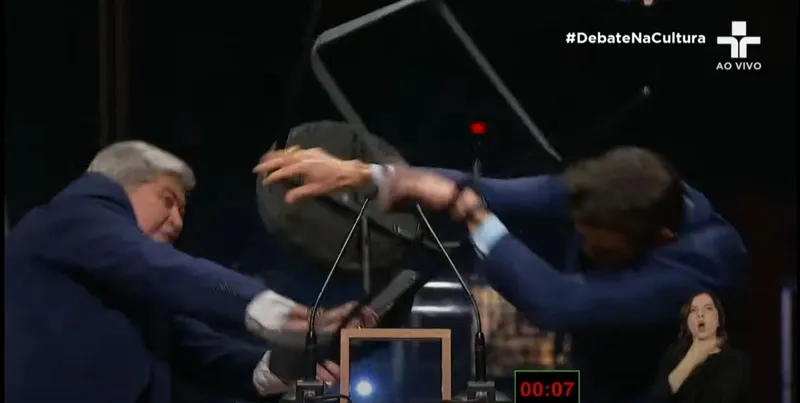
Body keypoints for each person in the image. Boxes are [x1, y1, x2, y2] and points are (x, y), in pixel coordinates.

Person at [254, 145, 748, 403]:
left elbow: (561, 303)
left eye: (600, 247)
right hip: (589, 381)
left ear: (660, 239)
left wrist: (470, 213)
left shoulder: (703, 268)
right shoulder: (626, 193)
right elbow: (496, 190)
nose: (587, 249)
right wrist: (368, 175)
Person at [4, 141, 378, 403]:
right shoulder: (76, 214)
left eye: (182, 211)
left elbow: (206, 354)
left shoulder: (130, 285)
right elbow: (169, 271)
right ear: (118, 186)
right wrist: (301, 320)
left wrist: (291, 363)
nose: (178, 222)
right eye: (167, 201)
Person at [650, 292, 749, 402]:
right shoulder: (673, 356)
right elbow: (657, 397)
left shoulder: (737, 360)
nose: (700, 314)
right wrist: (690, 361)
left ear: (719, 320)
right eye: (693, 310)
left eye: (708, 308)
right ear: (687, 323)